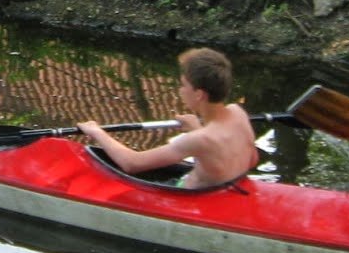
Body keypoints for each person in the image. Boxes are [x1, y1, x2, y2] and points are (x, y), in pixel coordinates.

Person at [80, 47, 258, 191]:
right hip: (227, 188)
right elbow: (251, 159)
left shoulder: (199, 139)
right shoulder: (237, 113)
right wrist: (198, 128)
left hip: (189, 196)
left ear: (199, 94)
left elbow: (132, 164)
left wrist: (96, 131)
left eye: (183, 85)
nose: (180, 90)